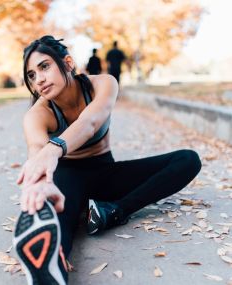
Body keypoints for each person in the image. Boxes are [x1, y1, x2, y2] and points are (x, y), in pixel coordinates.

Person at [13, 35, 202, 285]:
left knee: (188, 160)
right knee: (61, 224)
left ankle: (112, 212)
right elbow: (36, 148)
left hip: (107, 174)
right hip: (69, 178)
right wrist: (38, 182)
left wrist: (53, 149)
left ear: (67, 63)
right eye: (31, 75)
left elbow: (90, 122)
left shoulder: (103, 84)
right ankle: (52, 269)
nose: (39, 79)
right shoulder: (38, 113)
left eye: (44, 66)